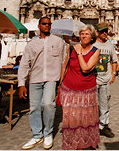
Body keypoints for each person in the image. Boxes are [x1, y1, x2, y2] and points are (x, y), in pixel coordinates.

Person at [18, 17, 66, 150]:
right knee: (34, 107)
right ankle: (36, 135)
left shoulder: (58, 42)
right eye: (44, 24)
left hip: (51, 78)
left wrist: (62, 80)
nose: (47, 26)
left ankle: (48, 133)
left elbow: (64, 61)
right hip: (35, 78)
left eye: (49, 24)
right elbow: (24, 64)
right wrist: (21, 83)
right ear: (39, 26)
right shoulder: (31, 44)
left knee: (49, 104)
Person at [59, 24, 100, 150]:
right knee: (70, 118)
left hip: (87, 90)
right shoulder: (70, 48)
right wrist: (60, 85)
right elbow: (64, 66)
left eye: (87, 34)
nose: (84, 36)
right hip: (69, 88)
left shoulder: (96, 51)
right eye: (82, 34)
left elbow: (86, 68)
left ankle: (85, 142)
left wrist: (79, 53)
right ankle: (72, 142)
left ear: (92, 36)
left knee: (86, 118)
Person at [93, 23, 118, 138]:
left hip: (105, 80)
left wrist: (113, 74)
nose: (104, 33)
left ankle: (104, 125)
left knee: (105, 103)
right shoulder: (91, 44)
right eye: (102, 31)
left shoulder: (110, 46)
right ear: (97, 32)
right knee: (92, 104)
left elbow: (114, 61)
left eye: (106, 31)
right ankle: (92, 125)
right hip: (92, 80)